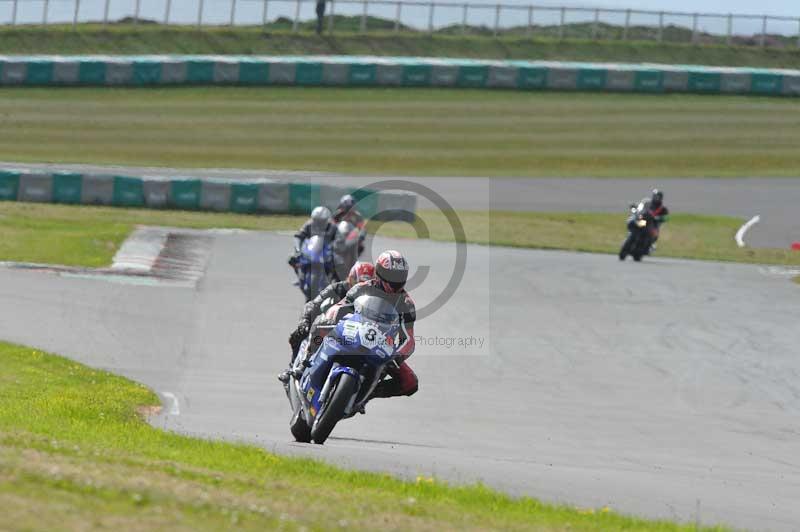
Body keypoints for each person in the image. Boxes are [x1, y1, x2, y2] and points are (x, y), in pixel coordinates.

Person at [283, 261, 376, 376]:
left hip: (358, 334)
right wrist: (305, 321)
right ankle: (297, 365)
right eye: (360, 282)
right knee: (299, 334)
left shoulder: (376, 298)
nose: (363, 287)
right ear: (351, 279)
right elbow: (313, 304)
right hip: (331, 327)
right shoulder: (338, 288)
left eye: (367, 284)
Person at [288, 205, 338, 283]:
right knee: (292, 259)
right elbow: (298, 236)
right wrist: (297, 250)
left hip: (327, 251)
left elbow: (339, 239)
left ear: (326, 220)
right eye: (316, 220)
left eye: (321, 220)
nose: (319, 222)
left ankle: (336, 282)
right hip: (311, 249)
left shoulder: (333, 227)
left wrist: (336, 248)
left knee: (340, 262)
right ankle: (300, 276)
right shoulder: (308, 225)